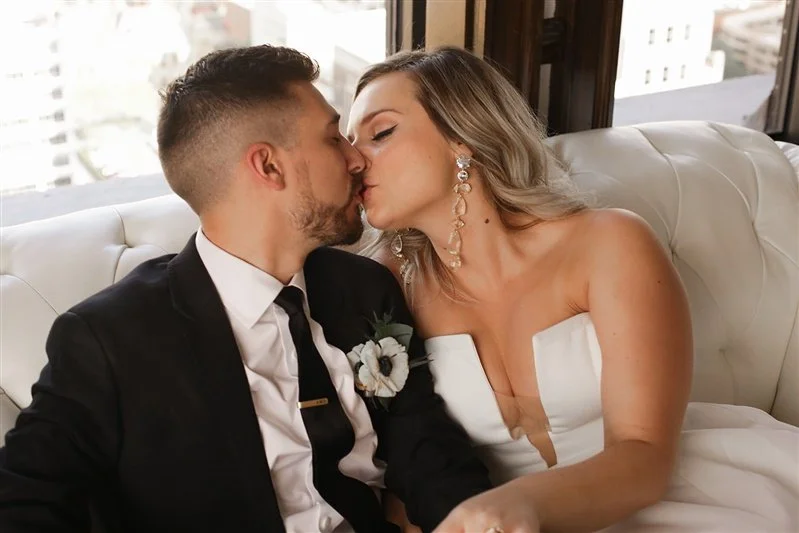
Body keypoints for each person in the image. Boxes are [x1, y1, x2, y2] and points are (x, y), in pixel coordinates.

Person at [0, 45, 495, 533]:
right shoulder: (108, 339)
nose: (357, 159)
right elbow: (24, 502)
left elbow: (428, 453)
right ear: (269, 167)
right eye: (332, 139)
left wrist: (486, 521)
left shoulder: (364, 288)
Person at [347, 46, 799, 533]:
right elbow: (404, 464)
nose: (354, 159)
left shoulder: (608, 243)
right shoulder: (381, 286)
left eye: (381, 133)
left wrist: (516, 505)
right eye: (349, 142)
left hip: (667, 492)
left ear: (462, 136)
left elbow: (645, 456)